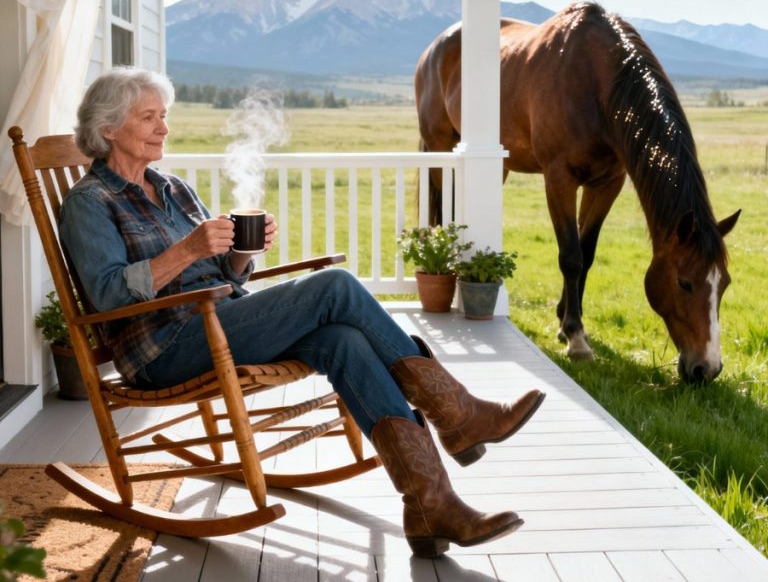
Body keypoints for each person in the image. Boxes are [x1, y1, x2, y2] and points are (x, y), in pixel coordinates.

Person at [60, 67, 545, 559]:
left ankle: (430, 504)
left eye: (164, 116)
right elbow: (107, 295)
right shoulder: (89, 203)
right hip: (164, 349)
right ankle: (457, 414)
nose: (164, 127)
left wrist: (241, 255)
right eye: (149, 118)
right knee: (334, 286)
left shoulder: (172, 188)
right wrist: (187, 250)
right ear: (108, 129)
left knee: (344, 340)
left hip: (220, 323)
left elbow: (220, 277)